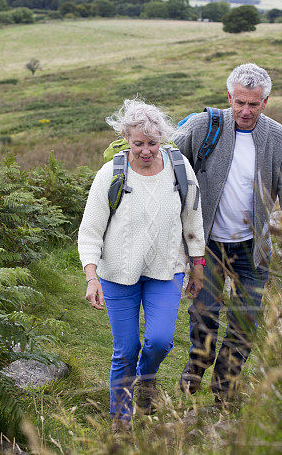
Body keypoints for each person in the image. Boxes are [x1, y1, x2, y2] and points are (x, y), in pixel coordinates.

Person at [173, 63, 282, 403]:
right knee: (204, 312)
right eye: (239, 103)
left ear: (266, 102)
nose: (245, 111)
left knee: (245, 322)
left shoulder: (278, 139)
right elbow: (169, 164)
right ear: (229, 98)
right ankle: (198, 361)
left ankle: (224, 387)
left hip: (253, 248)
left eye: (254, 104)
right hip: (209, 245)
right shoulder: (204, 126)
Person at [77, 98, 205, 430]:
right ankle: (120, 423)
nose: (145, 150)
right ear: (127, 139)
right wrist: (92, 277)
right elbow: (90, 229)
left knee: (161, 341)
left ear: (161, 140)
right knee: (126, 348)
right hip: (118, 273)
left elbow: (193, 219)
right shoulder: (111, 173)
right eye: (138, 143)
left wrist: (198, 263)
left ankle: (146, 378)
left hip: (167, 269)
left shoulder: (180, 168)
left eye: (152, 143)